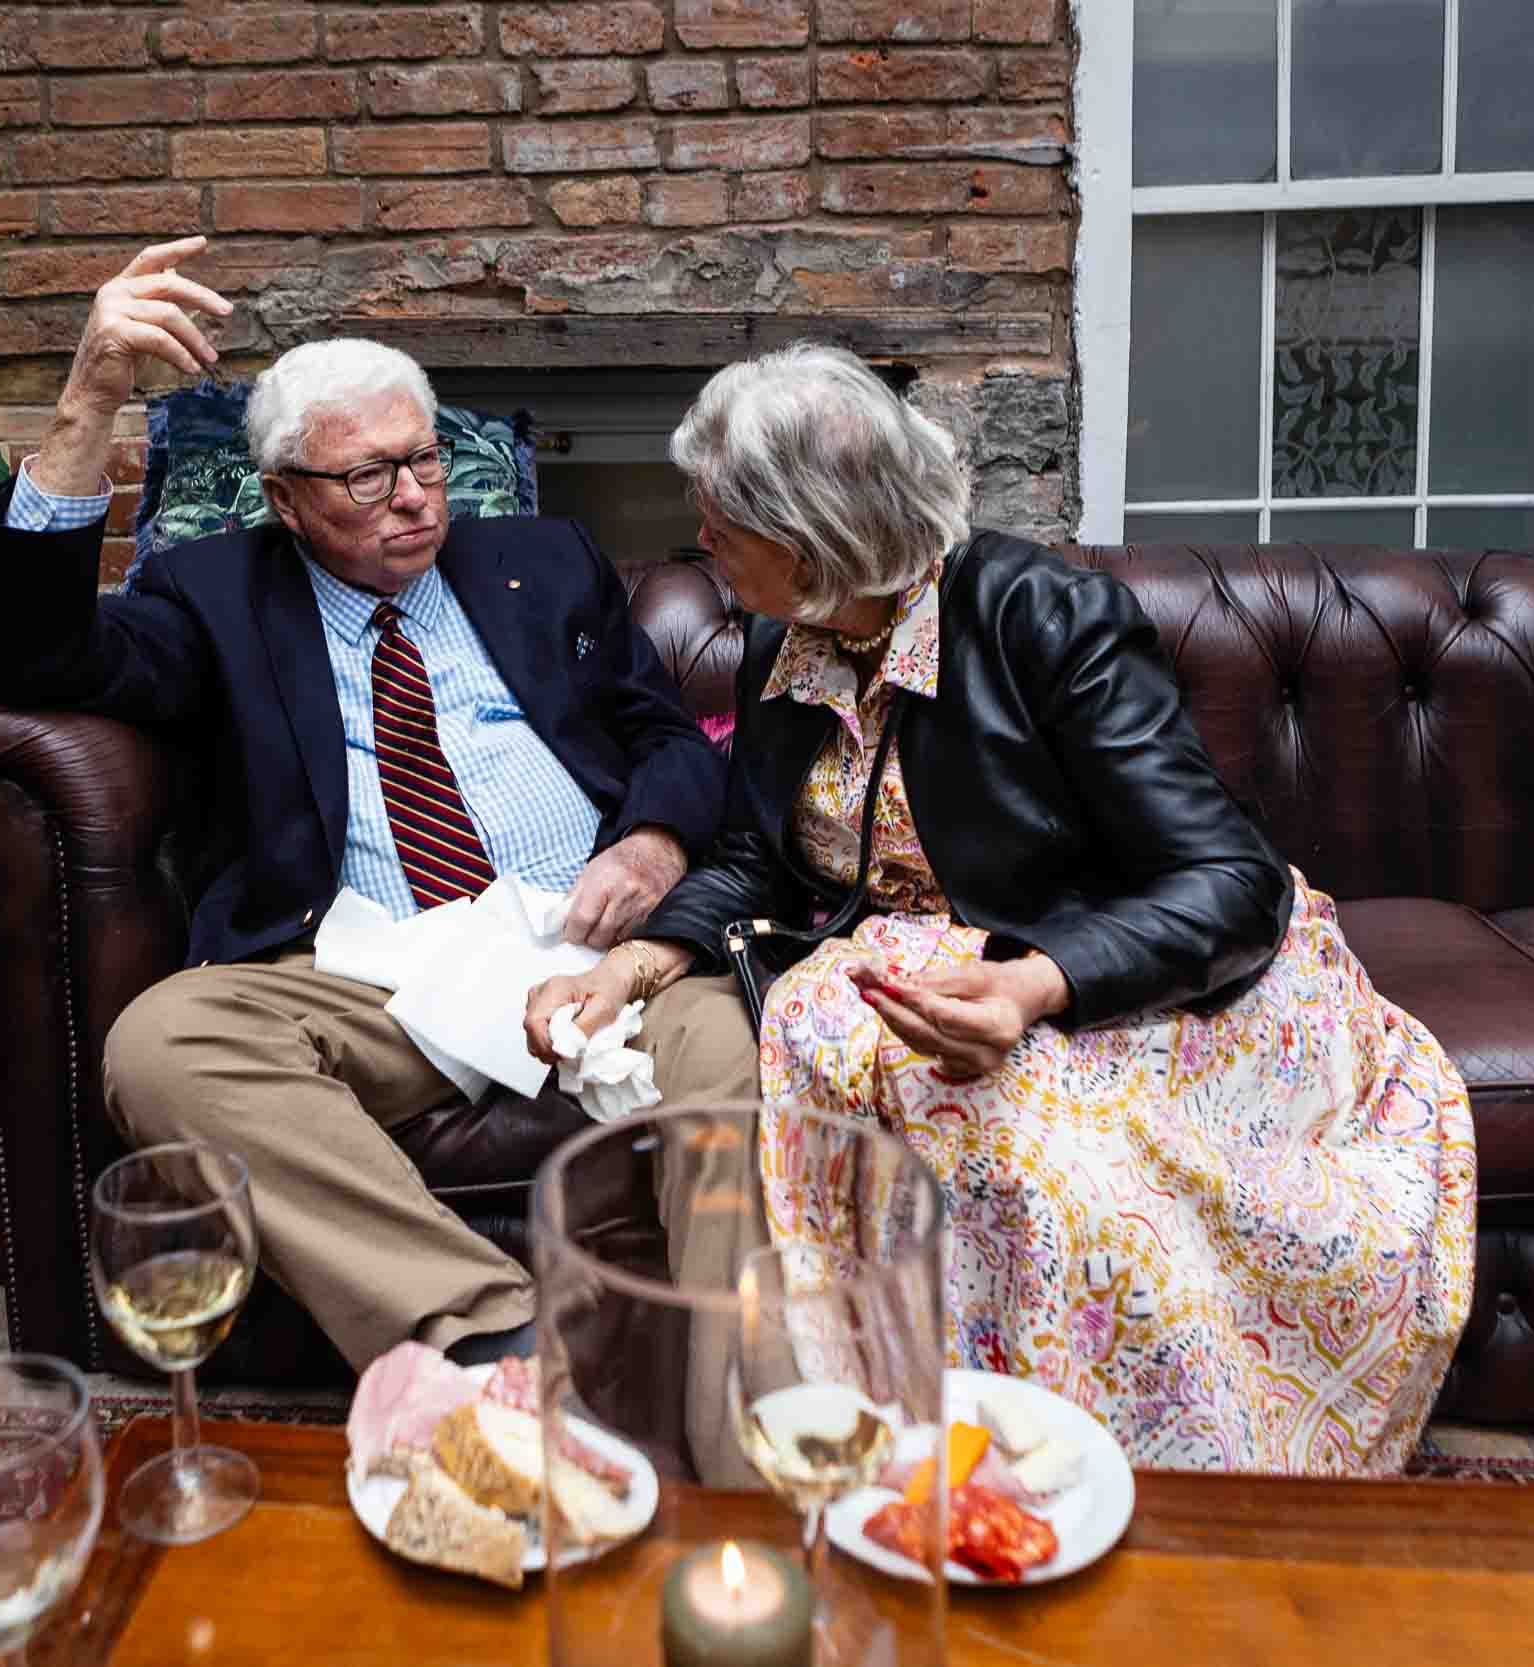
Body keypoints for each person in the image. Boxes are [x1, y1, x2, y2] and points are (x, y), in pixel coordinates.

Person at [528, 343, 1478, 1475]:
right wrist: (634, 962)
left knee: (1044, 1166)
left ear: (812, 534)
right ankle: (901, 1455)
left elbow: (1228, 880)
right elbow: (757, 860)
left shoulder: (1046, 618)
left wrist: (1033, 983)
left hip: (1121, 971)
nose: (702, 538)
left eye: (723, 518)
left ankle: (1140, 1482)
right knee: (905, 1079)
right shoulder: (780, 642)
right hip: (945, 989)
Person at [0, 238, 760, 1370]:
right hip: (369, 969)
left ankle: (734, 1375)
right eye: (365, 478)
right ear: (285, 498)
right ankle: (490, 1331)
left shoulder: (543, 557)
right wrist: (91, 396)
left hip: (590, 948)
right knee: (160, 1046)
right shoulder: (213, 595)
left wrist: (653, 841)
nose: (413, 500)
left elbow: (665, 736)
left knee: (729, 1049)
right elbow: (28, 655)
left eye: (424, 460)